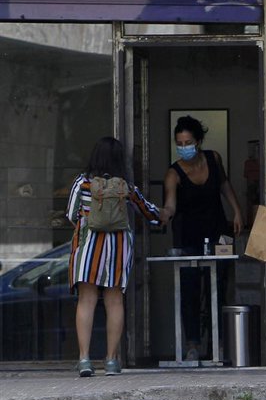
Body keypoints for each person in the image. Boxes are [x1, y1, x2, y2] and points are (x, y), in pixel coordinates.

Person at [67, 137, 161, 377]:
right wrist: (164, 213)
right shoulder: (125, 187)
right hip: (117, 248)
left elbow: (70, 214)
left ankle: (84, 359)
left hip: (88, 247)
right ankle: (111, 360)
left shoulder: (82, 183)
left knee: (86, 300)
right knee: (115, 301)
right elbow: (149, 212)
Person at [161, 115, 244, 360]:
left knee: (218, 287)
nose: (184, 147)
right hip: (187, 236)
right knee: (189, 290)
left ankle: (218, 344)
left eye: (188, 142)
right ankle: (193, 345)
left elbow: (225, 185)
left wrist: (237, 211)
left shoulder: (213, 159)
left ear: (198, 141)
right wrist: (162, 214)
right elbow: (170, 205)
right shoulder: (173, 173)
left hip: (217, 231)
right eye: (179, 143)